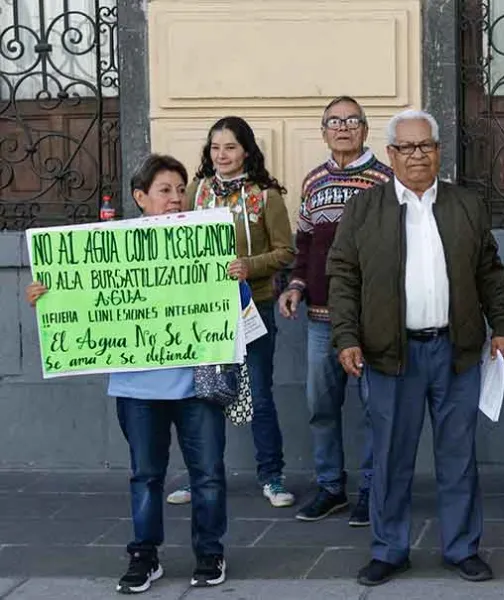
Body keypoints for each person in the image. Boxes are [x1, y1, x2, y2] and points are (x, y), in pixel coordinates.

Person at [326, 109, 504, 587]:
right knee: (390, 457)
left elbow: (489, 271)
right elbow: (344, 278)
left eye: (426, 146)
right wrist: (346, 337)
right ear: (390, 154)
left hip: (456, 352)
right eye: (407, 147)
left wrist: (503, 325)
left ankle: (462, 548)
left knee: (458, 456)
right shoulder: (364, 209)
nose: (417, 155)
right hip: (391, 355)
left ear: (438, 151)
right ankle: (389, 550)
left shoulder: (466, 205)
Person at [26, 154, 231, 593]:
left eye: (181, 190)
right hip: (138, 387)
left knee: (208, 473)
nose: (176, 199)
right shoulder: (108, 248)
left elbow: (238, 312)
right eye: (164, 191)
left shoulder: (208, 240)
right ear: (140, 198)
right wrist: (46, 294)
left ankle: (210, 552)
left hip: (198, 383)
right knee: (146, 474)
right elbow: (78, 297)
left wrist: (239, 275)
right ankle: (145, 553)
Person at [167, 116, 297, 508]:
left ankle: (272, 477)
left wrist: (249, 266)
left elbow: (286, 252)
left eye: (230, 147)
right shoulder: (195, 191)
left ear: (246, 151)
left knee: (258, 395)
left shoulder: (265, 196)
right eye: (215, 147)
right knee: (204, 396)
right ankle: (200, 477)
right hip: (205, 313)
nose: (221, 155)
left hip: (252, 308)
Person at [280, 96, 393, 526]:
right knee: (320, 406)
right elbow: (305, 244)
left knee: (374, 409)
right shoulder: (313, 182)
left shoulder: (386, 180)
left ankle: (370, 490)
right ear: (324, 130)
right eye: (333, 121)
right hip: (321, 319)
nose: (343, 128)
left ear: (365, 130)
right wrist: (295, 285)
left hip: (370, 318)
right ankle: (331, 488)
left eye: (351, 121)